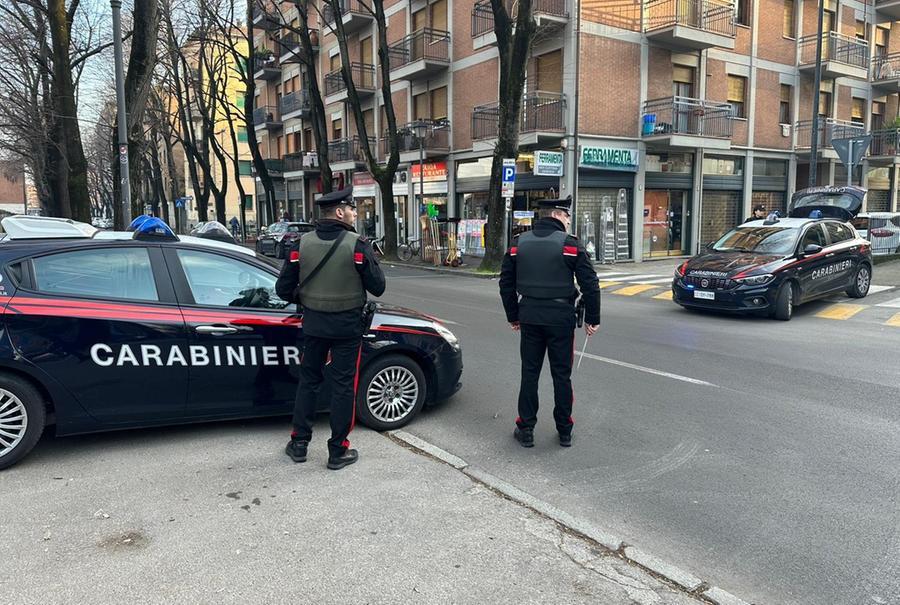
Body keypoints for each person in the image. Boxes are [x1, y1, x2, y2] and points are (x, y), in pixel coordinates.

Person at [276, 186, 386, 470]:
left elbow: (283, 289)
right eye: (351, 209)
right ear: (339, 212)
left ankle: (299, 443)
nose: (353, 213)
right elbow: (378, 287)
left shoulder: (301, 244)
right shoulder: (357, 244)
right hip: (347, 329)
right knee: (343, 387)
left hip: (313, 327)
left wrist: (308, 298)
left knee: (308, 382)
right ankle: (338, 451)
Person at [499, 196, 600, 449]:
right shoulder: (570, 245)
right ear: (557, 215)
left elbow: (505, 285)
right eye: (567, 217)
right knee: (561, 376)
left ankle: (526, 429)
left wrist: (513, 316)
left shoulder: (517, 244)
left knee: (529, 374)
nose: (568, 222)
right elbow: (590, 284)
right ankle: (564, 431)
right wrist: (593, 319)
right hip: (560, 320)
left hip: (530, 318)